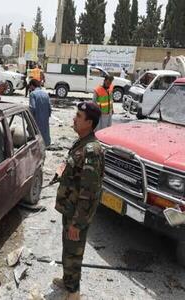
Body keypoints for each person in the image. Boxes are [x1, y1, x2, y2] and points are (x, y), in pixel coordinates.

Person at [53, 101, 104, 300]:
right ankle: (67, 281)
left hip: (77, 214)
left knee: (74, 252)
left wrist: (77, 223)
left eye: (79, 117)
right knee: (68, 248)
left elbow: (89, 192)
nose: (74, 118)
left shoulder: (92, 150)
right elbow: (76, 168)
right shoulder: (81, 142)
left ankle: (73, 292)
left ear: (89, 123)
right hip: (70, 208)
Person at [28, 79, 51, 147]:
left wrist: (29, 119)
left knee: (34, 136)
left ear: (32, 85)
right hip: (45, 119)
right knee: (45, 135)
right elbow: (49, 108)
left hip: (36, 119)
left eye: (30, 86)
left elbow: (32, 107)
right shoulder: (46, 94)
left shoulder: (32, 94)